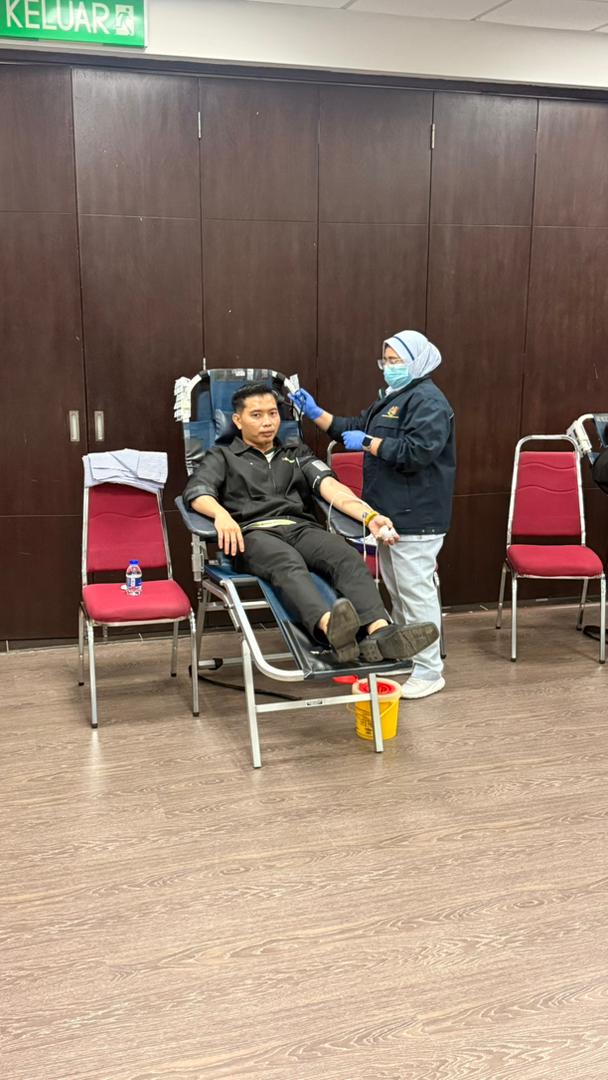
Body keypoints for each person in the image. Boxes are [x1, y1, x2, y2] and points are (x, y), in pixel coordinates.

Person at [183, 381, 439, 665]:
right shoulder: (222, 455)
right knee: (286, 562)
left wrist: (369, 516)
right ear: (237, 420)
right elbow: (197, 492)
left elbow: (331, 488)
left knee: (343, 554)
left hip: (300, 528)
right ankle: (332, 630)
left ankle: (380, 632)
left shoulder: (295, 452)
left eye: (273, 413)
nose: (267, 422)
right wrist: (221, 515)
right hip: (254, 534)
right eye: (256, 415)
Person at [291, 330, 455, 699]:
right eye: (386, 360)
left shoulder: (428, 401)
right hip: (389, 514)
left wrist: (369, 444)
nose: (388, 367)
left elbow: (418, 452)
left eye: (396, 360)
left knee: (415, 594)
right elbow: (353, 427)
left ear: (417, 361)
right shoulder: (394, 396)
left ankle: (430, 671)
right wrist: (315, 413)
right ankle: (409, 657)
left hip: (417, 515)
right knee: (399, 592)